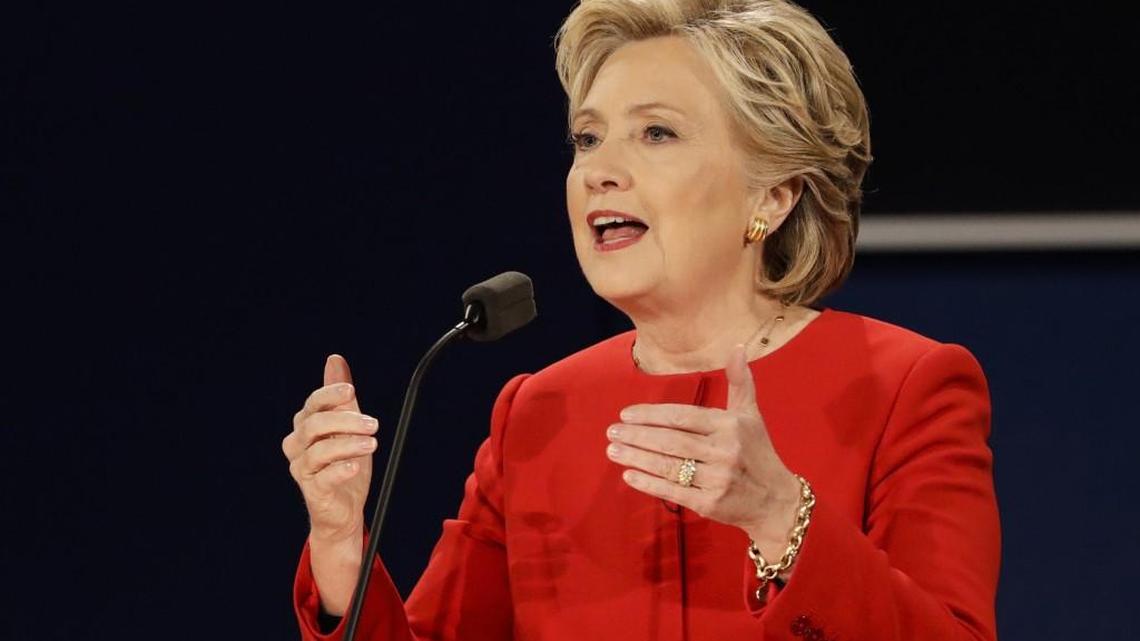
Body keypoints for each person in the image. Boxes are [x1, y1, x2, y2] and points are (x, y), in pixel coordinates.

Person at [280, 1, 1001, 639]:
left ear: (774, 194)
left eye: (656, 133)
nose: (600, 170)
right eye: (588, 139)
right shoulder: (538, 413)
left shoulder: (904, 386)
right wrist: (343, 546)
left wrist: (782, 515)